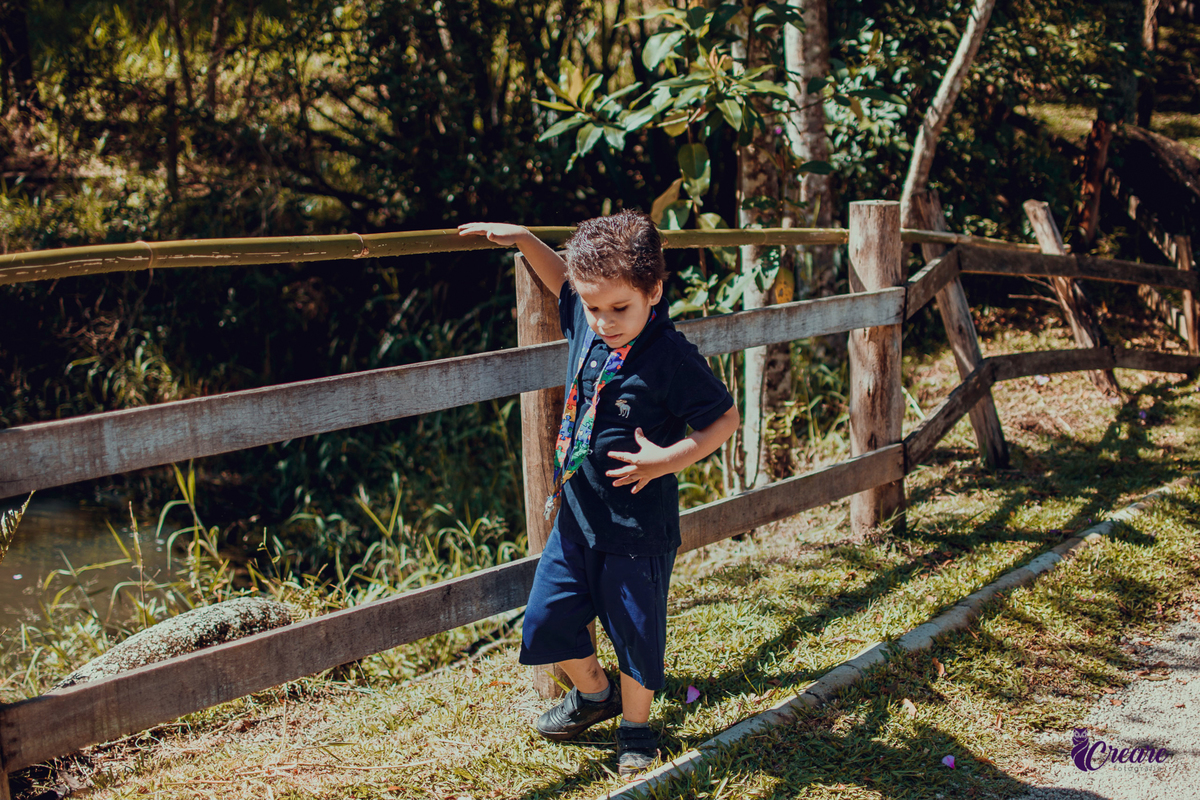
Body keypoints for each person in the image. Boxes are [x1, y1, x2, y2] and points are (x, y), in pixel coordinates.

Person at [458, 211, 739, 776]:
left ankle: (637, 727)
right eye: (594, 308)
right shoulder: (590, 320)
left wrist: (667, 460)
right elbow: (564, 279)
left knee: (636, 632)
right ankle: (595, 695)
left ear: (654, 292)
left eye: (619, 309)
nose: (604, 321)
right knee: (546, 621)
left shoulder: (671, 357)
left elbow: (723, 420)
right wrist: (523, 237)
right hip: (578, 515)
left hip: (639, 527)